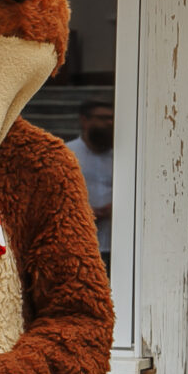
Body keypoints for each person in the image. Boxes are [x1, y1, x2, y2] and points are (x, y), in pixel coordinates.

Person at [67, 98, 114, 259]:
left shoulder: (124, 157)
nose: (109, 123)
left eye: (112, 118)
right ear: (84, 120)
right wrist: (82, 210)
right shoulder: (67, 154)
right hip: (76, 242)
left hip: (116, 242)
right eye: (103, 118)